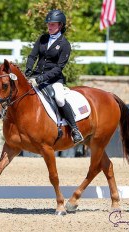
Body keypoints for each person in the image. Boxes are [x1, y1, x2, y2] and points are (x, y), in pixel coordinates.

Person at [25, 9, 83, 144]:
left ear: (60, 25)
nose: (49, 26)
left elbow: (58, 68)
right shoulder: (43, 38)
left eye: (53, 24)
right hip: (36, 75)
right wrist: (28, 70)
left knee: (60, 99)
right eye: (48, 24)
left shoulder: (65, 45)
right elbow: (33, 55)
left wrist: (41, 79)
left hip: (54, 79)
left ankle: (74, 129)